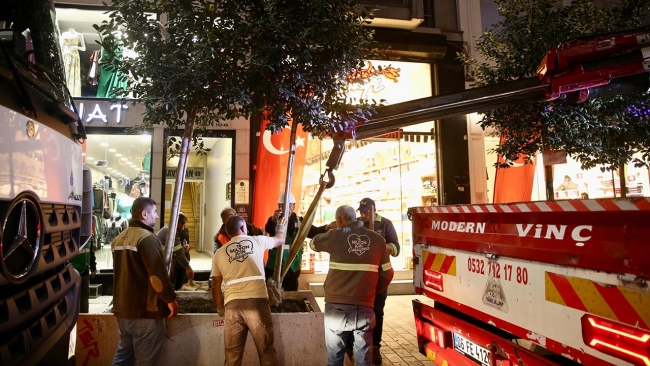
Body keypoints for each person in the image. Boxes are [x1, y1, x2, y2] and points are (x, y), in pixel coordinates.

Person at [310, 205, 394, 366]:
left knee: (335, 356)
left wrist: (331, 228)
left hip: (336, 307)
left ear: (339, 220)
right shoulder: (377, 240)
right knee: (364, 357)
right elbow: (387, 274)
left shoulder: (335, 236)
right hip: (364, 305)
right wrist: (371, 291)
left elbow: (313, 244)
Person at [211, 215, 288, 366]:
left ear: (228, 232)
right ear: (242, 228)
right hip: (257, 304)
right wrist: (280, 228)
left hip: (232, 307)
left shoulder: (219, 253)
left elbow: (215, 285)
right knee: (266, 352)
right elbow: (280, 240)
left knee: (232, 357)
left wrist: (220, 308)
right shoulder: (257, 241)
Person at [111, 197, 179, 365]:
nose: (156, 217)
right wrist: (170, 299)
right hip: (144, 313)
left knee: (122, 359)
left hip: (123, 311)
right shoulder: (146, 238)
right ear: (144, 214)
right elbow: (157, 276)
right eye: (154, 212)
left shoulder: (118, 239)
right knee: (145, 362)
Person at [357, 197, 400, 364]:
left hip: (380, 276)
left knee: (377, 311)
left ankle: (375, 347)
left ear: (374, 210)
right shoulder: (358, 224)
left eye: (366, 212)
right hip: (361, 277)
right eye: (361, 211)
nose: (363, 214)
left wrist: (381, 244)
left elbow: (396, 248)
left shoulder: (386, 224)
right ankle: (354, 346)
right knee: (358, 311)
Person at [264, 192, 329, 291]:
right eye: (282, 205)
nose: (285, 208)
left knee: (291, 298)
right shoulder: (274, 221)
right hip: (274, 267)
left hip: (292, 268)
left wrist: (327, 227)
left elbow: (313, 232)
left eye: (288, 205)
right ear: (278, 206)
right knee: (272, 297)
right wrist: (273, 220)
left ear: (293, 206)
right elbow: (269, 228)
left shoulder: (300, 222)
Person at [156, 213, 195, 290]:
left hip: (164, 262)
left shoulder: (167, 229)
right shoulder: (170, 232)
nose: (183, 228)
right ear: (179, 223)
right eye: (183, 225)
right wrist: (188, 267)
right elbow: (179, 252)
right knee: (170, 287)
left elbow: (176, 248)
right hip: (165, 263)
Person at [70, 218, 97, 313]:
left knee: (85, 296)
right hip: (74, 272)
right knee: (74, 297)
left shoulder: (89, 238)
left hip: (85, 272)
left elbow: (92, 253)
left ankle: (85, 316)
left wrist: (93, 267)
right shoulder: (70, 238)